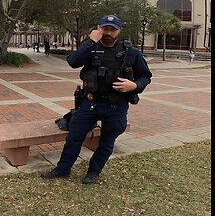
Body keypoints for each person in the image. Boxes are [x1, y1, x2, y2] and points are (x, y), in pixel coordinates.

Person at [41, 14, 152, 184]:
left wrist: (134, 86)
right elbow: (72, 61)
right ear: (98, 29)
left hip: (116, 105)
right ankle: (63, 169)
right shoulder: (90, 47)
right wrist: (91, 41)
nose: (108, 33)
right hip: (90, 103)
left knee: (107, 142)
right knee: (74, 137)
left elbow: (145, 76)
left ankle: (94, 171)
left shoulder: (130, 52)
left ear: (119, 31)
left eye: (112, 30)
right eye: (105, 29)